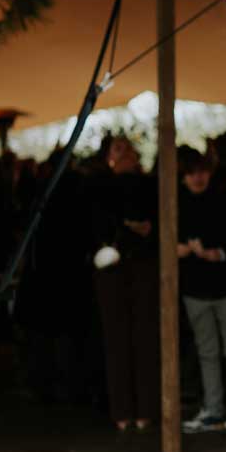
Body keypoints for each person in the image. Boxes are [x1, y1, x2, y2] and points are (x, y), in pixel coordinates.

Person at [177, 148, 226, 435]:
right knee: (207, 351)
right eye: (191, 172)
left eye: (202, 171)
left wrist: (218, 254)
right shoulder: (177, 202)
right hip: (195, 288)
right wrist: (180, 250)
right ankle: (213, 408)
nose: (198, 178)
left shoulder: (224, 201)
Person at [88, 135, 160, 431]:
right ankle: (122, 410)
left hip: (143, 265)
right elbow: (95, 224)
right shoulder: (97, 186)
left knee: (145, 336)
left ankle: (146, 408)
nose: (126, 153)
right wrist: (126, 227)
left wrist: (144, 228)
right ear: (108, 156)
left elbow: (157, 220)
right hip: (111, 268)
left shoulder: (148, 185)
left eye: (128, 148)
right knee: (116, 338)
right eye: (119, 149)